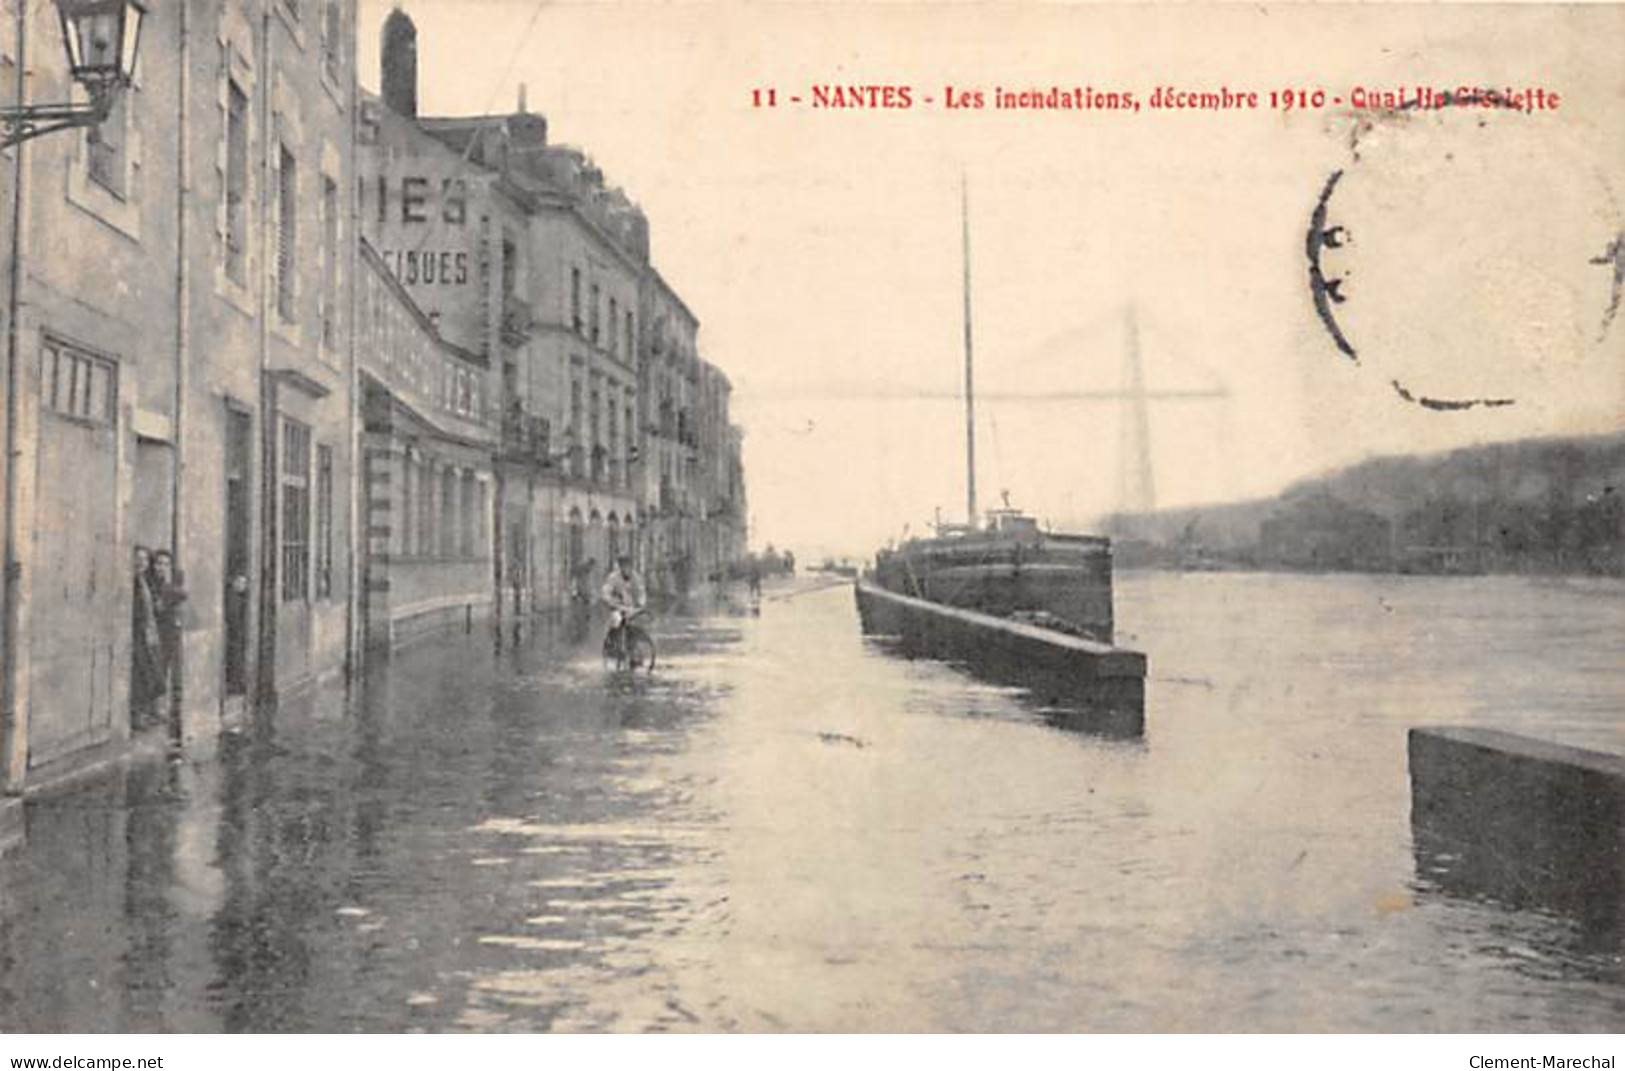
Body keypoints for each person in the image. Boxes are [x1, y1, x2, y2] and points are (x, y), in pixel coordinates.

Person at [148, 549, 188, 704]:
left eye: (165, 564)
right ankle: (149, 707)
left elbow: (183, 594)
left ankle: (156, 706)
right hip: (154, 632)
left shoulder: (168, 585)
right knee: (152, 671)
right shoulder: (150, 583)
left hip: (167, 633)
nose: (161, 567)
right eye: (158, 563)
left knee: (163, 669)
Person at [130, 547, 163, 729]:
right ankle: (137, 716)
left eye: (144, 559)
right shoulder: (131, 582)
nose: (141, 562)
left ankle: (147, 712)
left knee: (151, 673)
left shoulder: (145, 581)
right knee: (139, 675)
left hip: (148, 632)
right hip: (137, 633)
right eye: (137, 558)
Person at [599, 554, 647, 636]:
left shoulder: (636, 577)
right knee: (616, 621)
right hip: (617, 608)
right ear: (620, 566)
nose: (625, 568)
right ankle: (613, 641)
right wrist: (611, 601)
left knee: (641, 623)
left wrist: (640, 603)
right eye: (623, 565)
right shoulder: (613, 577)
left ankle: (635, 643)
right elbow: (605, 592)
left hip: (632, 609)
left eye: (628, 565)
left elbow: (641, 592)